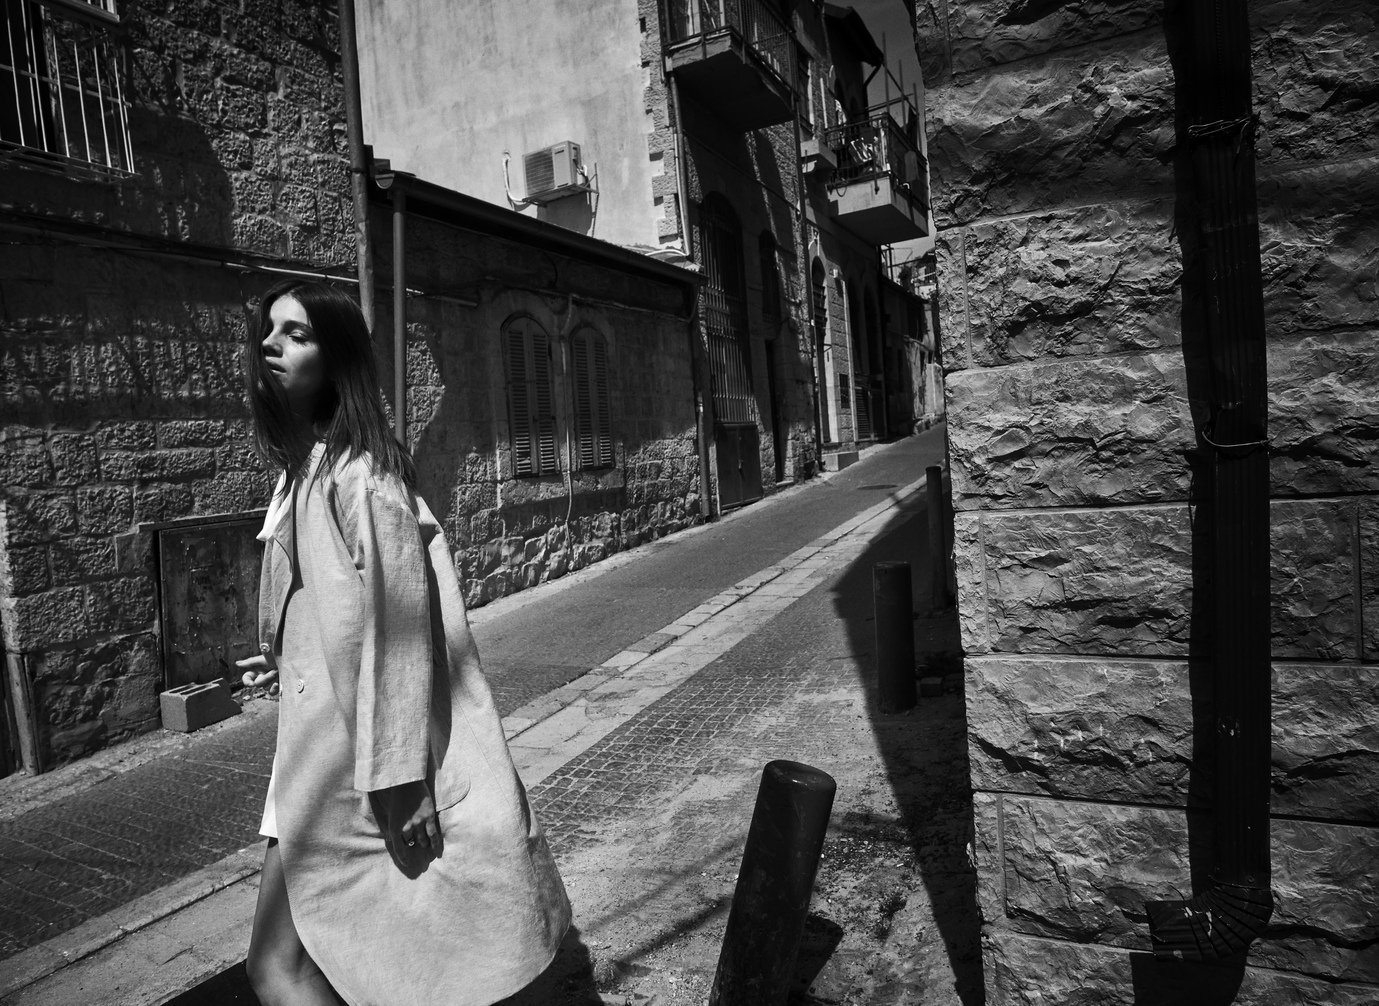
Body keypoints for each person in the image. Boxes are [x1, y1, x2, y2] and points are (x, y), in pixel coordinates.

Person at [234, 280, 570, 1006]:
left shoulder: (359, 479)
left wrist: (400, 780)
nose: (272, 342)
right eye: (269, 331)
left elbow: (398, 628)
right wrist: (284, 655)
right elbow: (333, 611)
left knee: (281, 967)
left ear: (339, 359)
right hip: (319, 757)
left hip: (355, 763)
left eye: (297, 333)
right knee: (313, 959)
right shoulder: (309, 472)